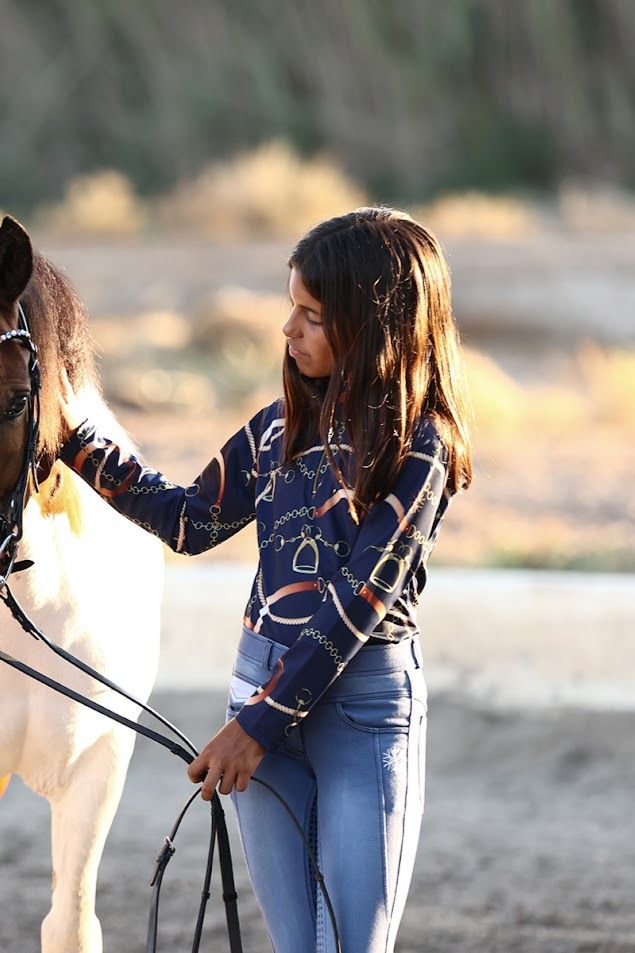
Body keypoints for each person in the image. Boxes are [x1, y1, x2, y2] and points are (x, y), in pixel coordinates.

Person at [58, 206, 472, 953]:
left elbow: (360, 601)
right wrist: (73, 441)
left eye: (312, 315)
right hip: (257, 697)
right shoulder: (277, 429)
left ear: (373, 326)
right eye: (291, 307)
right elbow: (188, 522)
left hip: (361, 712)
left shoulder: (421, 446)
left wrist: (255, 726)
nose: (288, 328)